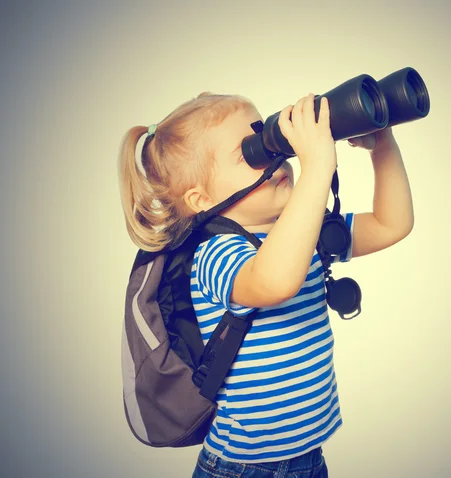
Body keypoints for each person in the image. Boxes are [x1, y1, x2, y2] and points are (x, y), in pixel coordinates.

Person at [118, 90, 414, 477]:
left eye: (270, 142)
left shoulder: (307, 235)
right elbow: (275, 281)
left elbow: (392, 224)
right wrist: (317, 166)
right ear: (201, 198)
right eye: (251, 153)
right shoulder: (214, 255)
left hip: (309, 460)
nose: (275, 157)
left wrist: (383, 143)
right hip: (242, 468)